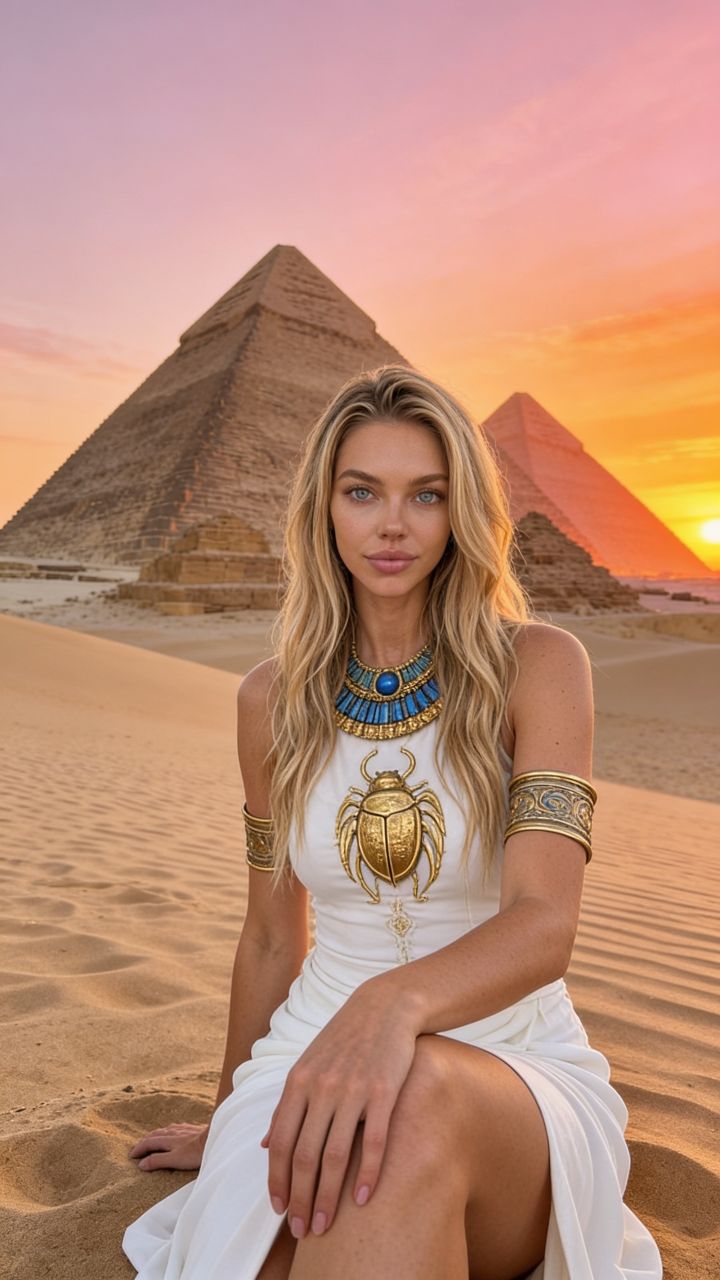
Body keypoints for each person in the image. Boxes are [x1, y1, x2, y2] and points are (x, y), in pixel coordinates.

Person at [122, 365, 663, 1279]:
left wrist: (390, 1007)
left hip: (509, 1059)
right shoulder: (271, 703)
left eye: (427, 495)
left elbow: (545, 922)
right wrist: (225, 1120)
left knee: (403, 1116)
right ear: (323, 507)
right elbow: (267, 936)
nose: (391, 524)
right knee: (278, 1233)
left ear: (461, 514)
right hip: (309, 1050)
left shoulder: (538, 667)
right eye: (362, 491)